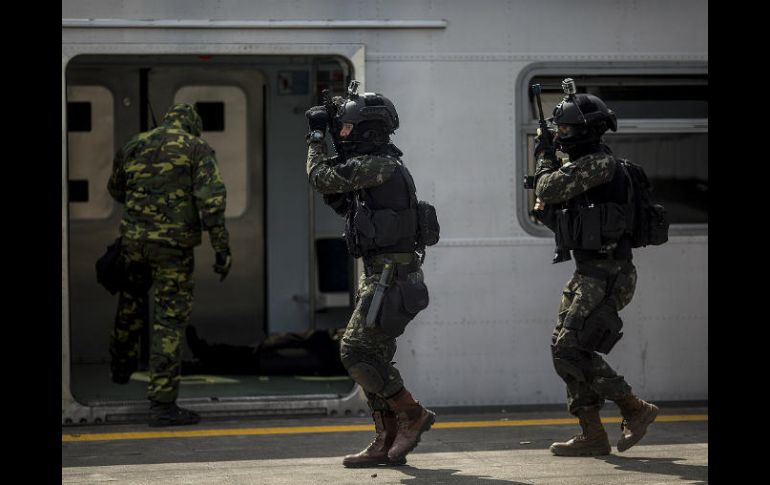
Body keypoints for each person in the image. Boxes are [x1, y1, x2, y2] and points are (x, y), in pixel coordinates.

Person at [305, 82, 437, 467]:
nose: (342, 134)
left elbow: (320, 177)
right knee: (372, 358)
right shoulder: (376, 167)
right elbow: (343, 199)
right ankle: (385, 439)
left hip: (391, 278)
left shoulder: (380, 165)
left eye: (346, 128)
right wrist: (331, 133)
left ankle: (410, 413)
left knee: (355, 351)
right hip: (384, 276)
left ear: (365, 130)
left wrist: (316, 138)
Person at [532, 85, 658, 456]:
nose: (560, 136)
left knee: (569, 350)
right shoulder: (586, 167)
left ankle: (634, 408)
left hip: (607, 274)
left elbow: (548, 187)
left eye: (566, 130)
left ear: (586, 131)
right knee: (564, 350)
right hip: (588, 271)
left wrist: (544, 156)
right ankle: (592, 434)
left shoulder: (598, 165)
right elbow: (553, 209)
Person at [107, 103, 232, 427]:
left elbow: (115, 189)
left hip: (134, 244)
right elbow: (212, 202)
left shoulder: (134, 144)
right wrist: (221, 249)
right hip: (173, 250)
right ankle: (162, 405)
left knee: (130, 304)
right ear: (192, 125)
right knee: (168, 322)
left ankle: (119, 369)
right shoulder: (196, 148)